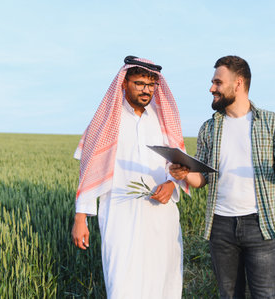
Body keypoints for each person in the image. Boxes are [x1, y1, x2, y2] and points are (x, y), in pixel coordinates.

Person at [170, 55, 275, 298]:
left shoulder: (272, 123)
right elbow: (202, 179)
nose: (212, 88)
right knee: (229, 295)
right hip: (220, 226)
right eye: (213, 82)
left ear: (238, 83)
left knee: (266, 295)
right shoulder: (208, 128)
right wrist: (185, 174)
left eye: (218, 82)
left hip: (260, 225)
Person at [71, 56, 188, 299]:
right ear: (124, 83)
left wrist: (171, 183)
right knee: (122, 279)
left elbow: (179, 162)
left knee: (164, 276)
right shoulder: (106, 121)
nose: (147, 90)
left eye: (151, 85)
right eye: (140, 83)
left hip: (161, 213)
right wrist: (80, 217)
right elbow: (90, 170)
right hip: (120, 213)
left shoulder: (162, 119)